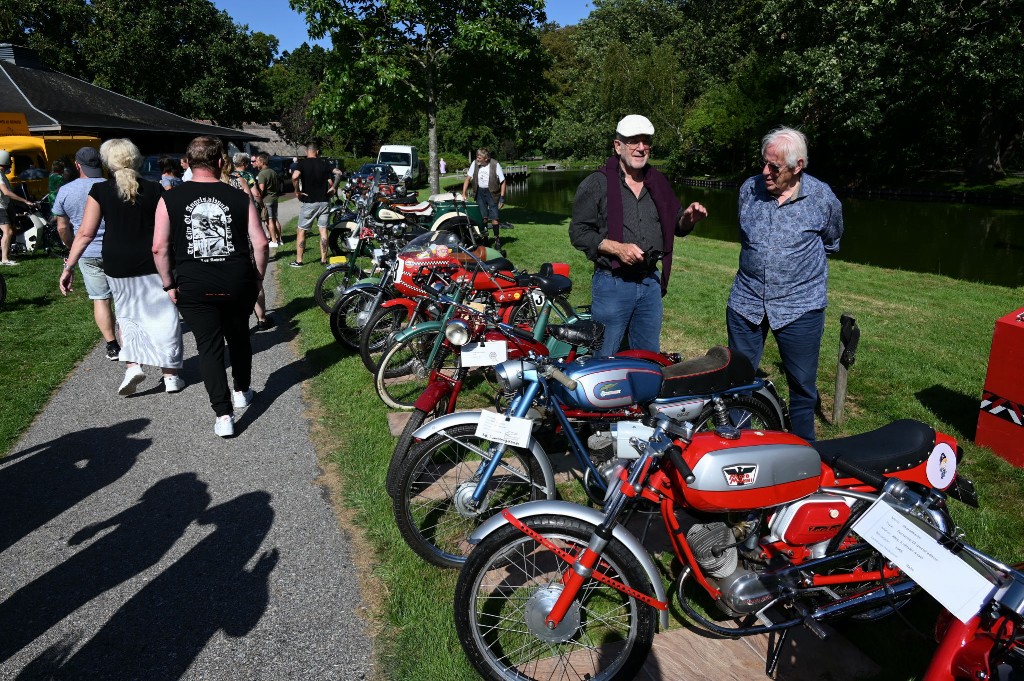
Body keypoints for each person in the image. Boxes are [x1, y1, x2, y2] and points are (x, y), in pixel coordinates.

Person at [726, 126, 844, 442]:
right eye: (764, 163)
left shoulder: (822, 197)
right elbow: (746, 238)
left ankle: (804, 454)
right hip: (746, 302)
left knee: (802, 386)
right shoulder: (749, 190)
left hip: (799, 306)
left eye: (774, 167)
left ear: (797, 167)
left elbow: (832, 240)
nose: (765, 172)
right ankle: (738, 446)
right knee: (737, 379)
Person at [154, 136, 269, 438]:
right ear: (220, 162)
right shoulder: (239, 198)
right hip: (237, 282)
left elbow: (159, 247)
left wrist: (168, 283)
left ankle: (223, 415)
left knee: (209, 348)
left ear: (188, 164)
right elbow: (260, 242)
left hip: (193, 285)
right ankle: (242, 391)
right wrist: (257, 277)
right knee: (239, 337)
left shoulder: (169, 199)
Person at [569, 114, 708, 358]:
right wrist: (616, 248)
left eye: (645, 141)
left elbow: (676, 225)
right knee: (605, 355)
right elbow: (578, 232)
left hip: (649, 283)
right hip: (613, 283)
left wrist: (687, 218)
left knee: (648, 356)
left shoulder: (658, 182)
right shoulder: (597, 184)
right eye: (633, 141)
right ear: (618, 145)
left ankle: (642, 397)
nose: (641, 147)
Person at [58, 138, 184, 395]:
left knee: (127, 316)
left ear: (108, 163)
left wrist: (69, 266)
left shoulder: (100, 191)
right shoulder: (156, 189)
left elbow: (84, 234)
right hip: (154, 261)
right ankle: (170, 375)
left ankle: (132, 365)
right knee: (164, 316)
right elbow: (171, 229)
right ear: (136, 159)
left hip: (117, 261)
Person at [53, 146, 120, 361]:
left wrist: (73, 248)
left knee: (100, 299)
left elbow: (62, 227)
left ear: (77, 165)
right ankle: (133, 342)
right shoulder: (114, 186)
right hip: (116, 248)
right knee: (123, 298)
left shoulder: (66, 190)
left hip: (87, 251)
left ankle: (112, 345)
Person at [290, 142, 334, 267]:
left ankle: (299, 260)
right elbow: (336, 175)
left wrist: (297, 191)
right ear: (318, 152)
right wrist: (334, 188)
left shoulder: (302, 164)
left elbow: (295, 176)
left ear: (306, 152)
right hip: (324, 202)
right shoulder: (324, 164)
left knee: (302, 231)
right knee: (323, 230)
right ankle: (323, 260)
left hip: (309, 202)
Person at [0, 150, 42, 265]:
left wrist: (24, 203)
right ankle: (4, 259)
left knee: (11, 231)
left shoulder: (2, 174)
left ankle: (7, 254)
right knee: (7, 232)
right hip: (1, 207)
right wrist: (24, 201)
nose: (11, 164)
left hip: (5, 205)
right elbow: (6, 192)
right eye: (9, 161)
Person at [462, 148, 506, 250]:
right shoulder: (475, 164)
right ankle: (485, 238)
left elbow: (503, 182)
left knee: (495, 218)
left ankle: (497, 240)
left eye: (479, 157)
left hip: (492, 193)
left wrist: (502, 198)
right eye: (477, 156)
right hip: (480, 193)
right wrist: (464, 193)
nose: (477, 158)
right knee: (483, 218)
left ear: (486, 159)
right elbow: (468, 179)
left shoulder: (495, 164)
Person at [253, 152, 282, 248]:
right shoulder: (273, 172)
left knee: (269, 221)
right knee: (275, 219)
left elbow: (261, 188)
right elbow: (278, 186)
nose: (256, 163)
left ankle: (274, 241)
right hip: (274, 198)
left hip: (267, 200)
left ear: (262, 162)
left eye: (257, 161)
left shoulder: (262, 174)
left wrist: (258, 196)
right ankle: (279, 239)